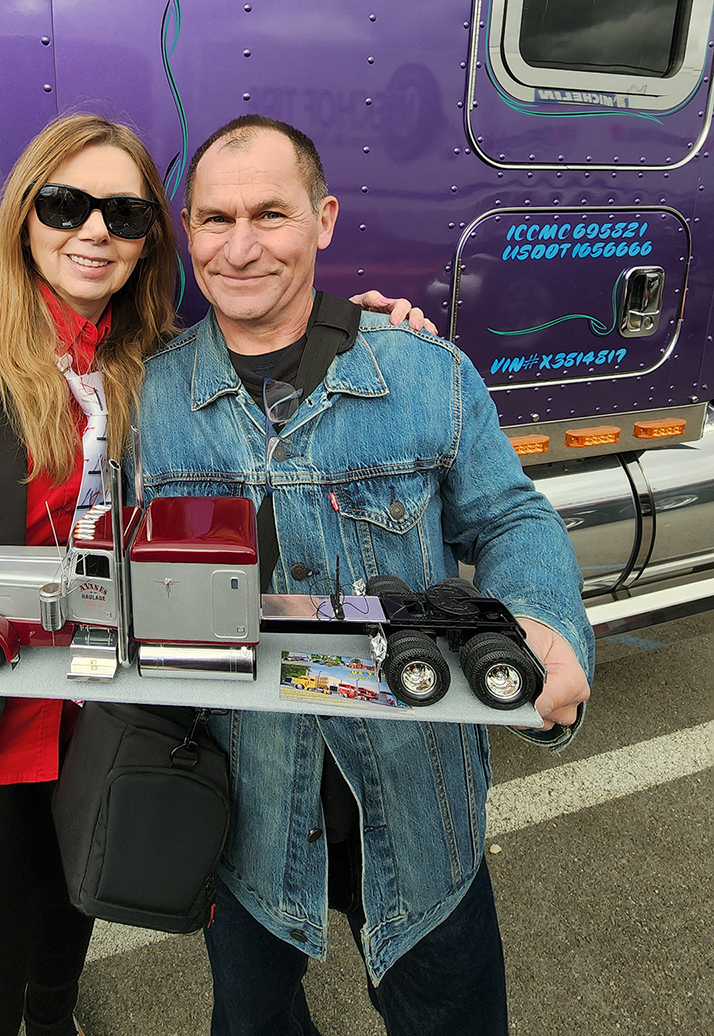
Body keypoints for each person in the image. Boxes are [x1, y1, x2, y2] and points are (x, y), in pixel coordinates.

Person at [0, 111, 424, 1036]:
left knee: (60, 959)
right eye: (66, 205)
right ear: (25, 214)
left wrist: (365, 333)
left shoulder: (152, 358)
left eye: (125, 215)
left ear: (148, 240)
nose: (95, 231)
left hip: (98, 737)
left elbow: (273, 367)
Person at [136, 114, 594, 1036]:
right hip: (247, 821)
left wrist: (544, 619)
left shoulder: (424, 372)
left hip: (421, 815)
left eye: (271, 214)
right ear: (189, 232)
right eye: (217, 219)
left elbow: (509, 516)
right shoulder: (149, 397)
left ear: (325, 220)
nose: (240, 246)